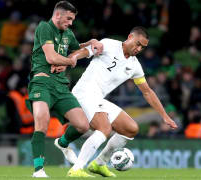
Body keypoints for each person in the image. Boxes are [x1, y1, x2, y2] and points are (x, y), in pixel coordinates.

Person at [53, 26, 178, 177]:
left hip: (98, 98)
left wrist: (164, 115)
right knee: (104, 128)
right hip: (84, 93)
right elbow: (85, 52)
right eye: (138, 43)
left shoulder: (135, 66)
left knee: (130, 128)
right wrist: (70, 59)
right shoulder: (109, 45)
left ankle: (99, 163)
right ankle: (77, 169)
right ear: (130, 36)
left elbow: (147, 91)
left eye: (143, 47)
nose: (139, 48)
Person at [26, 1, 103, 178]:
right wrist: (69, 62)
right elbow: (51, 57)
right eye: (68, 18)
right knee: (42, 120)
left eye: (72, 19)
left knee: (83, 125)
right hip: (42, 83)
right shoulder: (44, 27)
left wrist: (91, 42)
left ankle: (62, 143)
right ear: (58, 15)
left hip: (61, 86)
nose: (70, 23)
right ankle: (38, 170)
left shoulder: (67, 33)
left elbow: (77, 49)